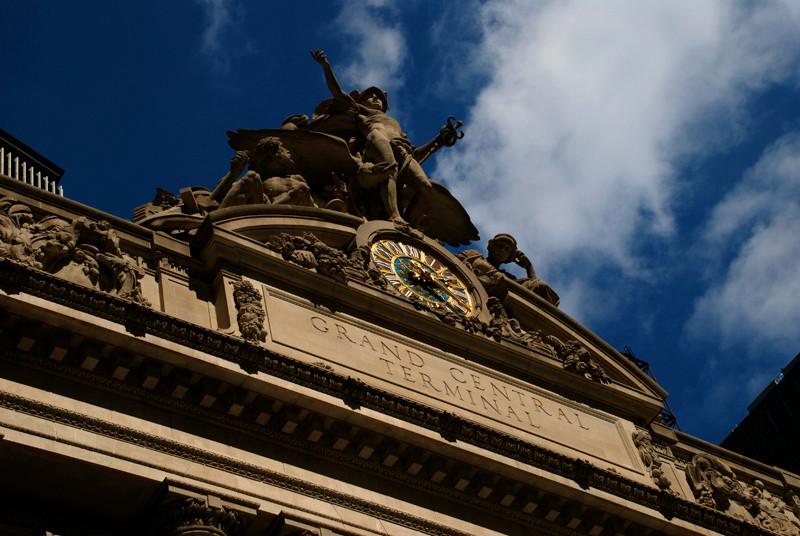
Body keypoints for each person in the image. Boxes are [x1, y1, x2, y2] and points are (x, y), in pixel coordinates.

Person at [310, 49, 432, 226]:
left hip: (400, 146)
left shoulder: (395, 123)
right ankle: (394, 216)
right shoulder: (361, 112)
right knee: (390, 169)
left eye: (379, 98)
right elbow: (338, 92)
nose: (375, 99)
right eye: (370, 96)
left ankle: (412, 226)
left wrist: (439, 141)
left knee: (425, 186)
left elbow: (416, 155)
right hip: (377, 138)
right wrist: (326, 67)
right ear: (362, 102)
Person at [457, 233, 560, 306]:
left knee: (542, 286)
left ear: (510, 257)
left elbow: (535, 291)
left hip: (496, 303)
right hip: (464, 293)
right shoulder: (473, 255)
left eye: (507, 250)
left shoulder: (510, 278)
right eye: (500, 246)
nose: (502, 251)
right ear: (491, 247)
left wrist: (529, 267)